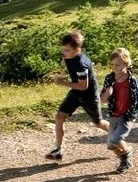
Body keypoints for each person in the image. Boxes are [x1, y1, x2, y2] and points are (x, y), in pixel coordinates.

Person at [46, 30, 109, 163]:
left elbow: (83, 86)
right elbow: (65, 62)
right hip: (75, 92)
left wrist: (63, 83)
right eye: (62, 48)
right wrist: (61, 71)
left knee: (99, 123)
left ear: (77, 49)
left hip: (89, 95)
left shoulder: (81, 64)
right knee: (59, 116)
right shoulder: (69, 56)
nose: (63, 52)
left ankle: (117, 134)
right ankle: (58, 149)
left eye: (67, 50)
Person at [99, 47, 138, 173]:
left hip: (126, 115)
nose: (114, 68)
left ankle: (127, 153)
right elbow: (102, 99)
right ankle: (126, 161)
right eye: (112, 65)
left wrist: (131, 114)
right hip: (114, 114)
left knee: (115, 139)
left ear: (126, 64)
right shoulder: (109, 78)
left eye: (118, 65)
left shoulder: (132, 81)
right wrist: (107, 93)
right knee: (110, 145)